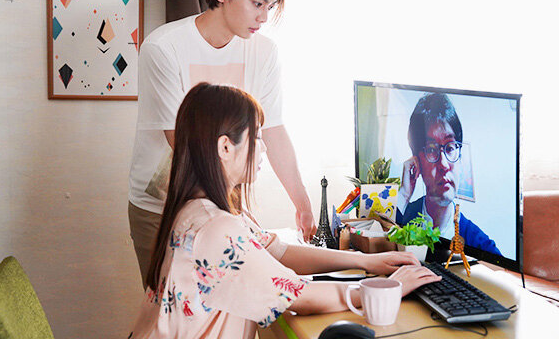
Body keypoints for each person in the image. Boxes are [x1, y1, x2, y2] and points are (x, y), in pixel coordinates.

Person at [128, 83, 441, 339]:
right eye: (257, 137)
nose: (263, 147)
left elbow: (279, 253)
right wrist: (390, 288)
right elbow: (299, 297)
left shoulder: (209, 211)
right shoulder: (216, 228)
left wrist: (366, 261)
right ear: (225, 147)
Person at [128, 0, 317, 285]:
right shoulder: (164, 47)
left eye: (270, 7)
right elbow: (182, 142)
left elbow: (273, 129)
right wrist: (233, 216)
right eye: (257, 3)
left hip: (223, 204)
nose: (264, 17)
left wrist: (301, 201)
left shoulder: (264, 52)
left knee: (230, 305)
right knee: (171, 307)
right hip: (162, 206)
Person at [396, 93, 502, 255]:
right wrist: (403, 195)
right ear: (416, 160)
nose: (444, 164)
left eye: (450, 147)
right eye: (431, 149)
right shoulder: (402, 218)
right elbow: (379, 246)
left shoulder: (479, 244)